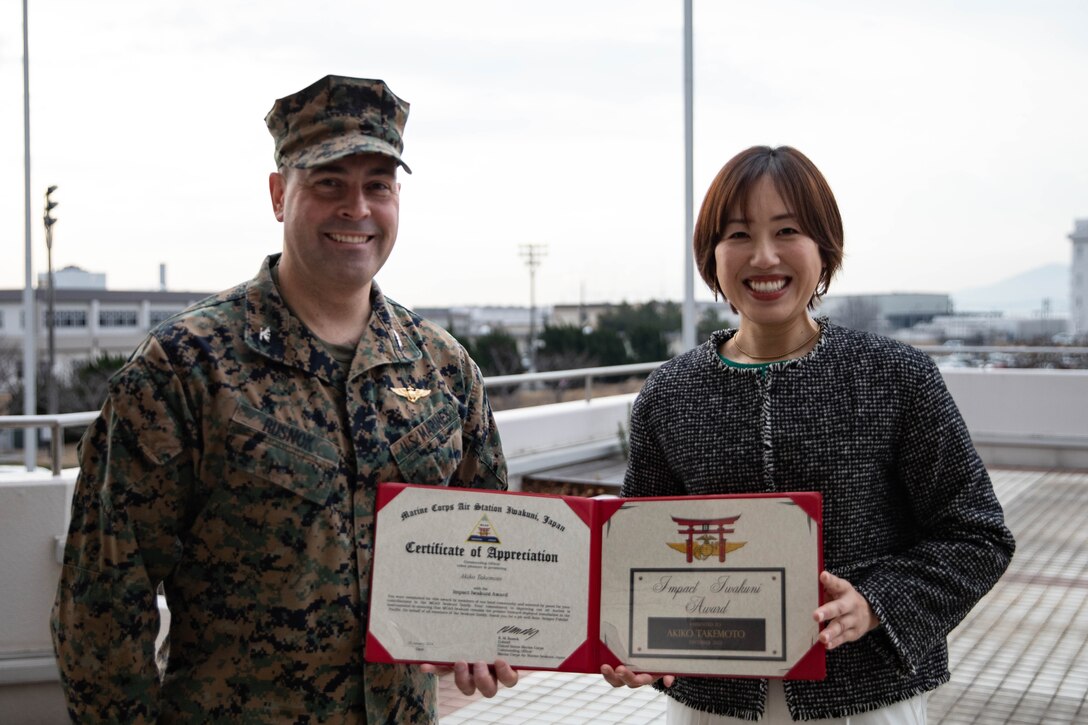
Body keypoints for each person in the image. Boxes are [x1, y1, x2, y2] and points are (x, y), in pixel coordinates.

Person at [51, 75, 517, 723]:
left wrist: (487, 627)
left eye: (377, 184)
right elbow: (103, 599)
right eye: (328, 182)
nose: (356, 207)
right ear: (279, 194)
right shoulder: (185, 370)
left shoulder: (444, 370)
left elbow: (490, 542)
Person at [601, 146, 1015, 723]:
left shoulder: (895, 376)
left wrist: (876, 603)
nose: (764, 256)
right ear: (711, 256)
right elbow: (639, 552)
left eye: (787, 230)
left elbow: (977, 534)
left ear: (825, 249)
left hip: (866, 698)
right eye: (739, 234)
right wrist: (629, 641)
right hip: (712, 705)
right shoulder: (669, 393)